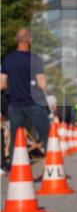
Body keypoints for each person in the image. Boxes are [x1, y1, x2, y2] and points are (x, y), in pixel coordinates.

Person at [1, 28, 50, 169]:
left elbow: (2, 84)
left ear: (15, 40)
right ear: (30, 40)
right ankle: (51, 166)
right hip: (35, 104)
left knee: (16, 138)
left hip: (15, 104)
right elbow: (42, 84)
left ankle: (15, 168)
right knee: (47, 135)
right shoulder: (36, 59)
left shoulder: (7, 59)